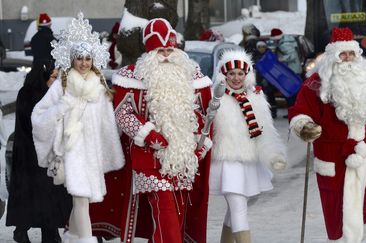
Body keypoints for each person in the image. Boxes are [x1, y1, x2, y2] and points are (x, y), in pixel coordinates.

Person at [89, 18, 213, 243]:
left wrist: (200, 147)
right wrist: (147, 134)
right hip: (148, 159)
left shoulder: (193, 78)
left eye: (169, 49)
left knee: (177, 214)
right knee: (165, 212)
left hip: (183, 161)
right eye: (160, 50)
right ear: (149, 51)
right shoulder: (132, 78)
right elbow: (121, 114)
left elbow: (205, 120)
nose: (165, 55)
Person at [288, 27, 366, 242]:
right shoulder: (314, 86)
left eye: (351, 54)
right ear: (332, 56)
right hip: (333, 159)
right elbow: (299, 112)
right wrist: (304, 127)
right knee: (335, 212)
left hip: (364, 158)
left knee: (361, 207)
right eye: (342, 54)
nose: (347, 59)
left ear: (357, 56)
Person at [31, 13, 125, 243]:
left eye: (87, 58)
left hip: (91, 154)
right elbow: (39, 115)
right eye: (79, 58)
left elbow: (107, 125)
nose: (84, 62)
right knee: (81, 199)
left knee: (82, 201)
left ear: (93, 60)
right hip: (71, 152)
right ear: (72, 59)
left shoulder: (100, 89)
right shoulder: (62, 86)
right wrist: (61, 108)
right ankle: (84, 239)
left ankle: (72, 237)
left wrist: (109, 152)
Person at [210, 49, 287, 243]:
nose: (236, 78)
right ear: (224, 75)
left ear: (247, 75)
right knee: (238, 207)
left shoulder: (255, 97)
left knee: (235, 208)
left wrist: (273, 154)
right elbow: (204, 128)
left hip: (248, 161)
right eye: (231, 73)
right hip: (226, 162)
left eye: (240, 73)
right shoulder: (215, 98)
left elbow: (265, 130)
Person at [5, 60, 72, 243]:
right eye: (53, 77)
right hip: (30, 154)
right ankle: (28, 231)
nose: (55, 81)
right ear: (42, 76)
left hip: (42, 153)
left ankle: (47, 233)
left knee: (44, 196)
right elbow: (35, 122)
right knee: (34, 195)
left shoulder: (47, 93)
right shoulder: (29, 94)